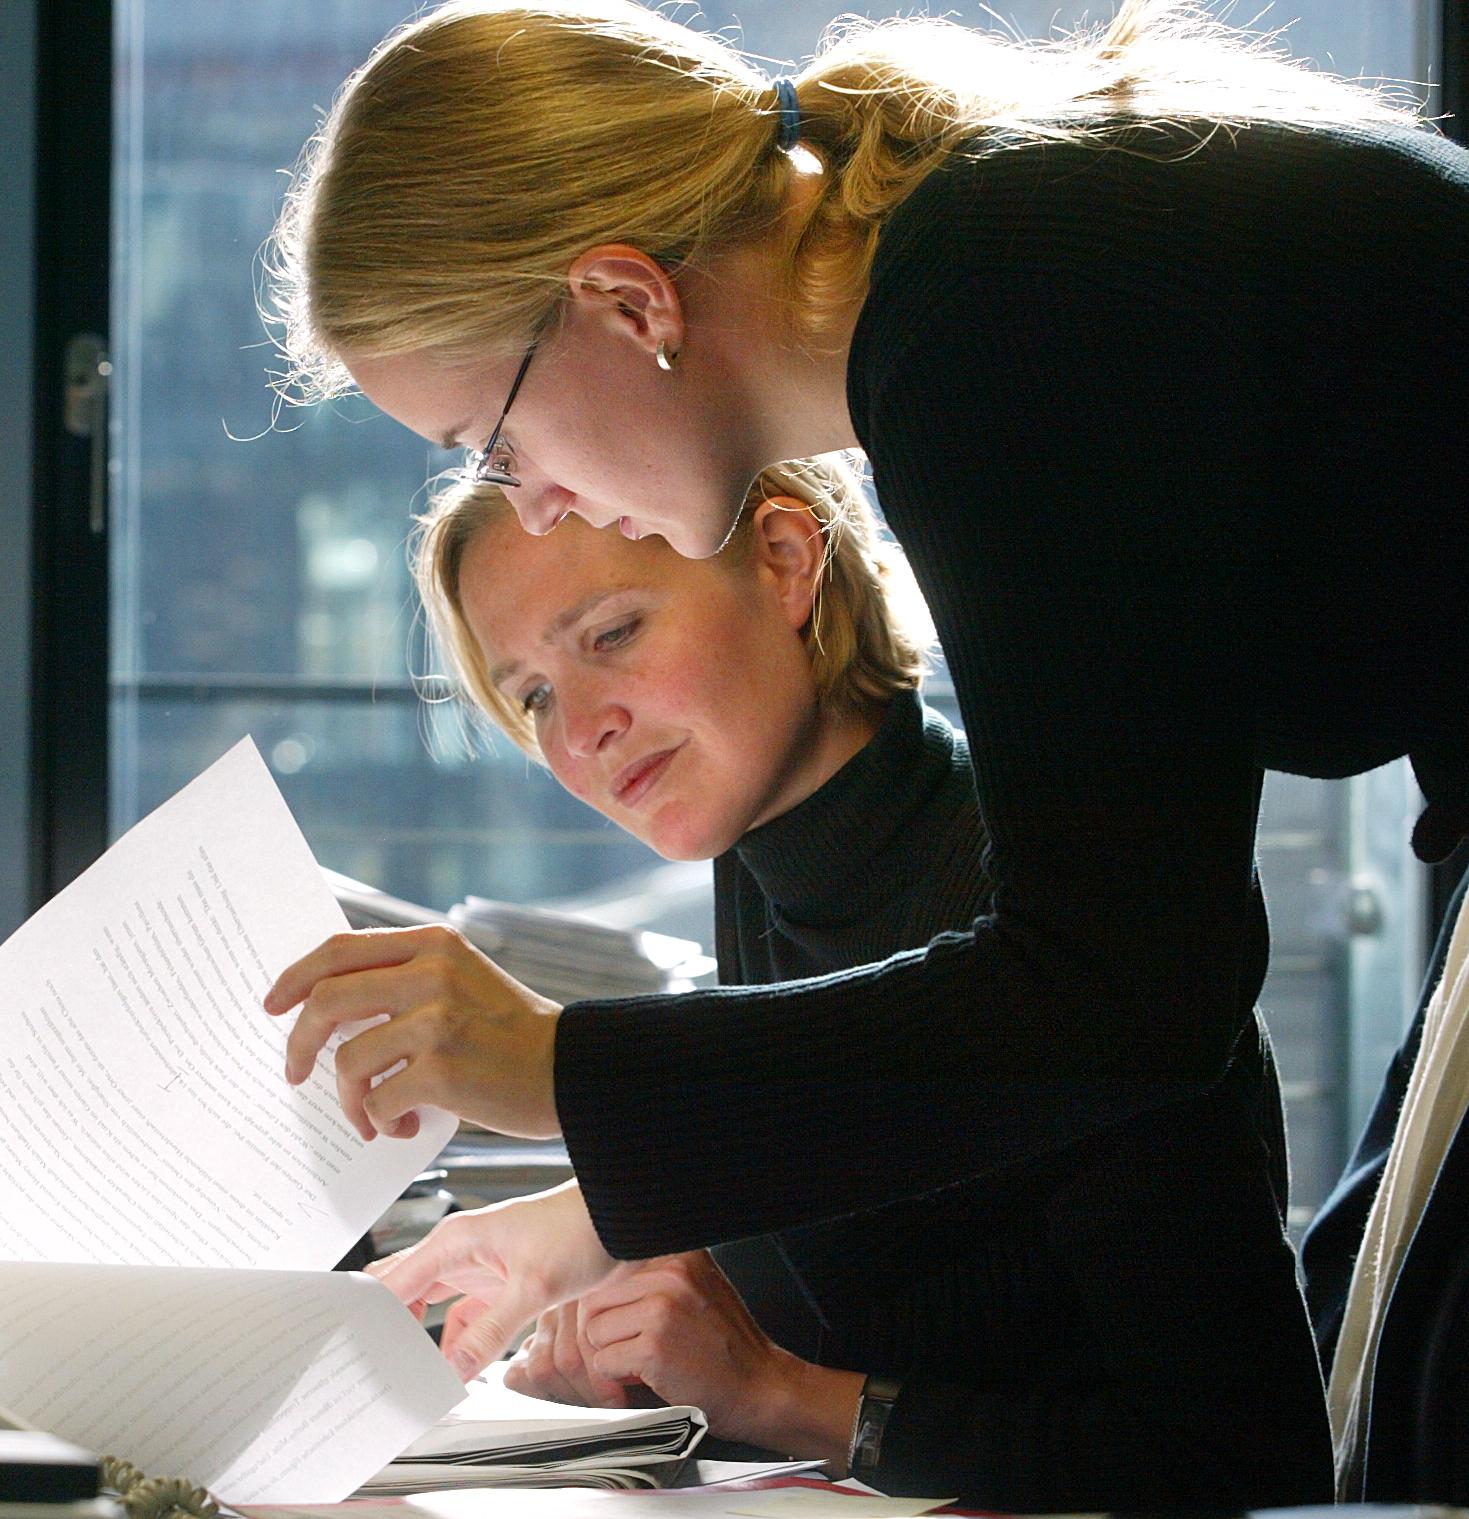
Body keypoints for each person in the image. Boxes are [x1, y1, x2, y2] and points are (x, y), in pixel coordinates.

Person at [254, 0, 1469, 1493]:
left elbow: (1124, 984)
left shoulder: (997, 315)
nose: (539, 504)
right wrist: (592, 1198)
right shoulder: (992, 262)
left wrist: (564, 1066)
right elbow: (1133, 972)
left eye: (492, 447)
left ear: (629, 302)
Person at [411, 464, 1326, 1506]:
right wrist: (661, 1296)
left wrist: (774, 1391)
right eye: (530, 693)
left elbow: (1244, 1455)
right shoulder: (760, 858)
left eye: (612, 634)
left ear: (786, 562)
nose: (576, 731)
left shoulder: (1045, 910)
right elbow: (882, 1189)